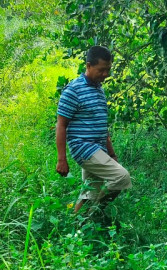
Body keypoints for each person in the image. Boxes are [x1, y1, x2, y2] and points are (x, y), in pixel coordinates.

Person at [56, 45, 131, 215]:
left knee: (90, 193)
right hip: (84, 148)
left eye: (108, 70)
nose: (105, 74)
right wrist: (62, 159)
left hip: (98, 148)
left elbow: (101, 125)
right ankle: (94, 215)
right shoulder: (73, 90)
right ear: (88, 66)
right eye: (101, 70)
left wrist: (111, 154)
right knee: (121, 177)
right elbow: (61, 125)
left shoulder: (99, 89)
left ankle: (78, 227)